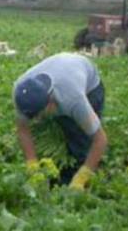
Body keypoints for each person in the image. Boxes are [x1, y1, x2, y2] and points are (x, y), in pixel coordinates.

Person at [13, 53, 109, 191]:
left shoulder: (74, 101)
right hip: (63, 68)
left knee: (81, 141)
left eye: (39, 115)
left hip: (89, 84)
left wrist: (82, 176)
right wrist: (31, 162)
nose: (37, 120)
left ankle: (84, 178)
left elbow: (100, 140)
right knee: (59, 130)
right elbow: (23, 129)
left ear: (51, 103)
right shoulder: (21, 93)